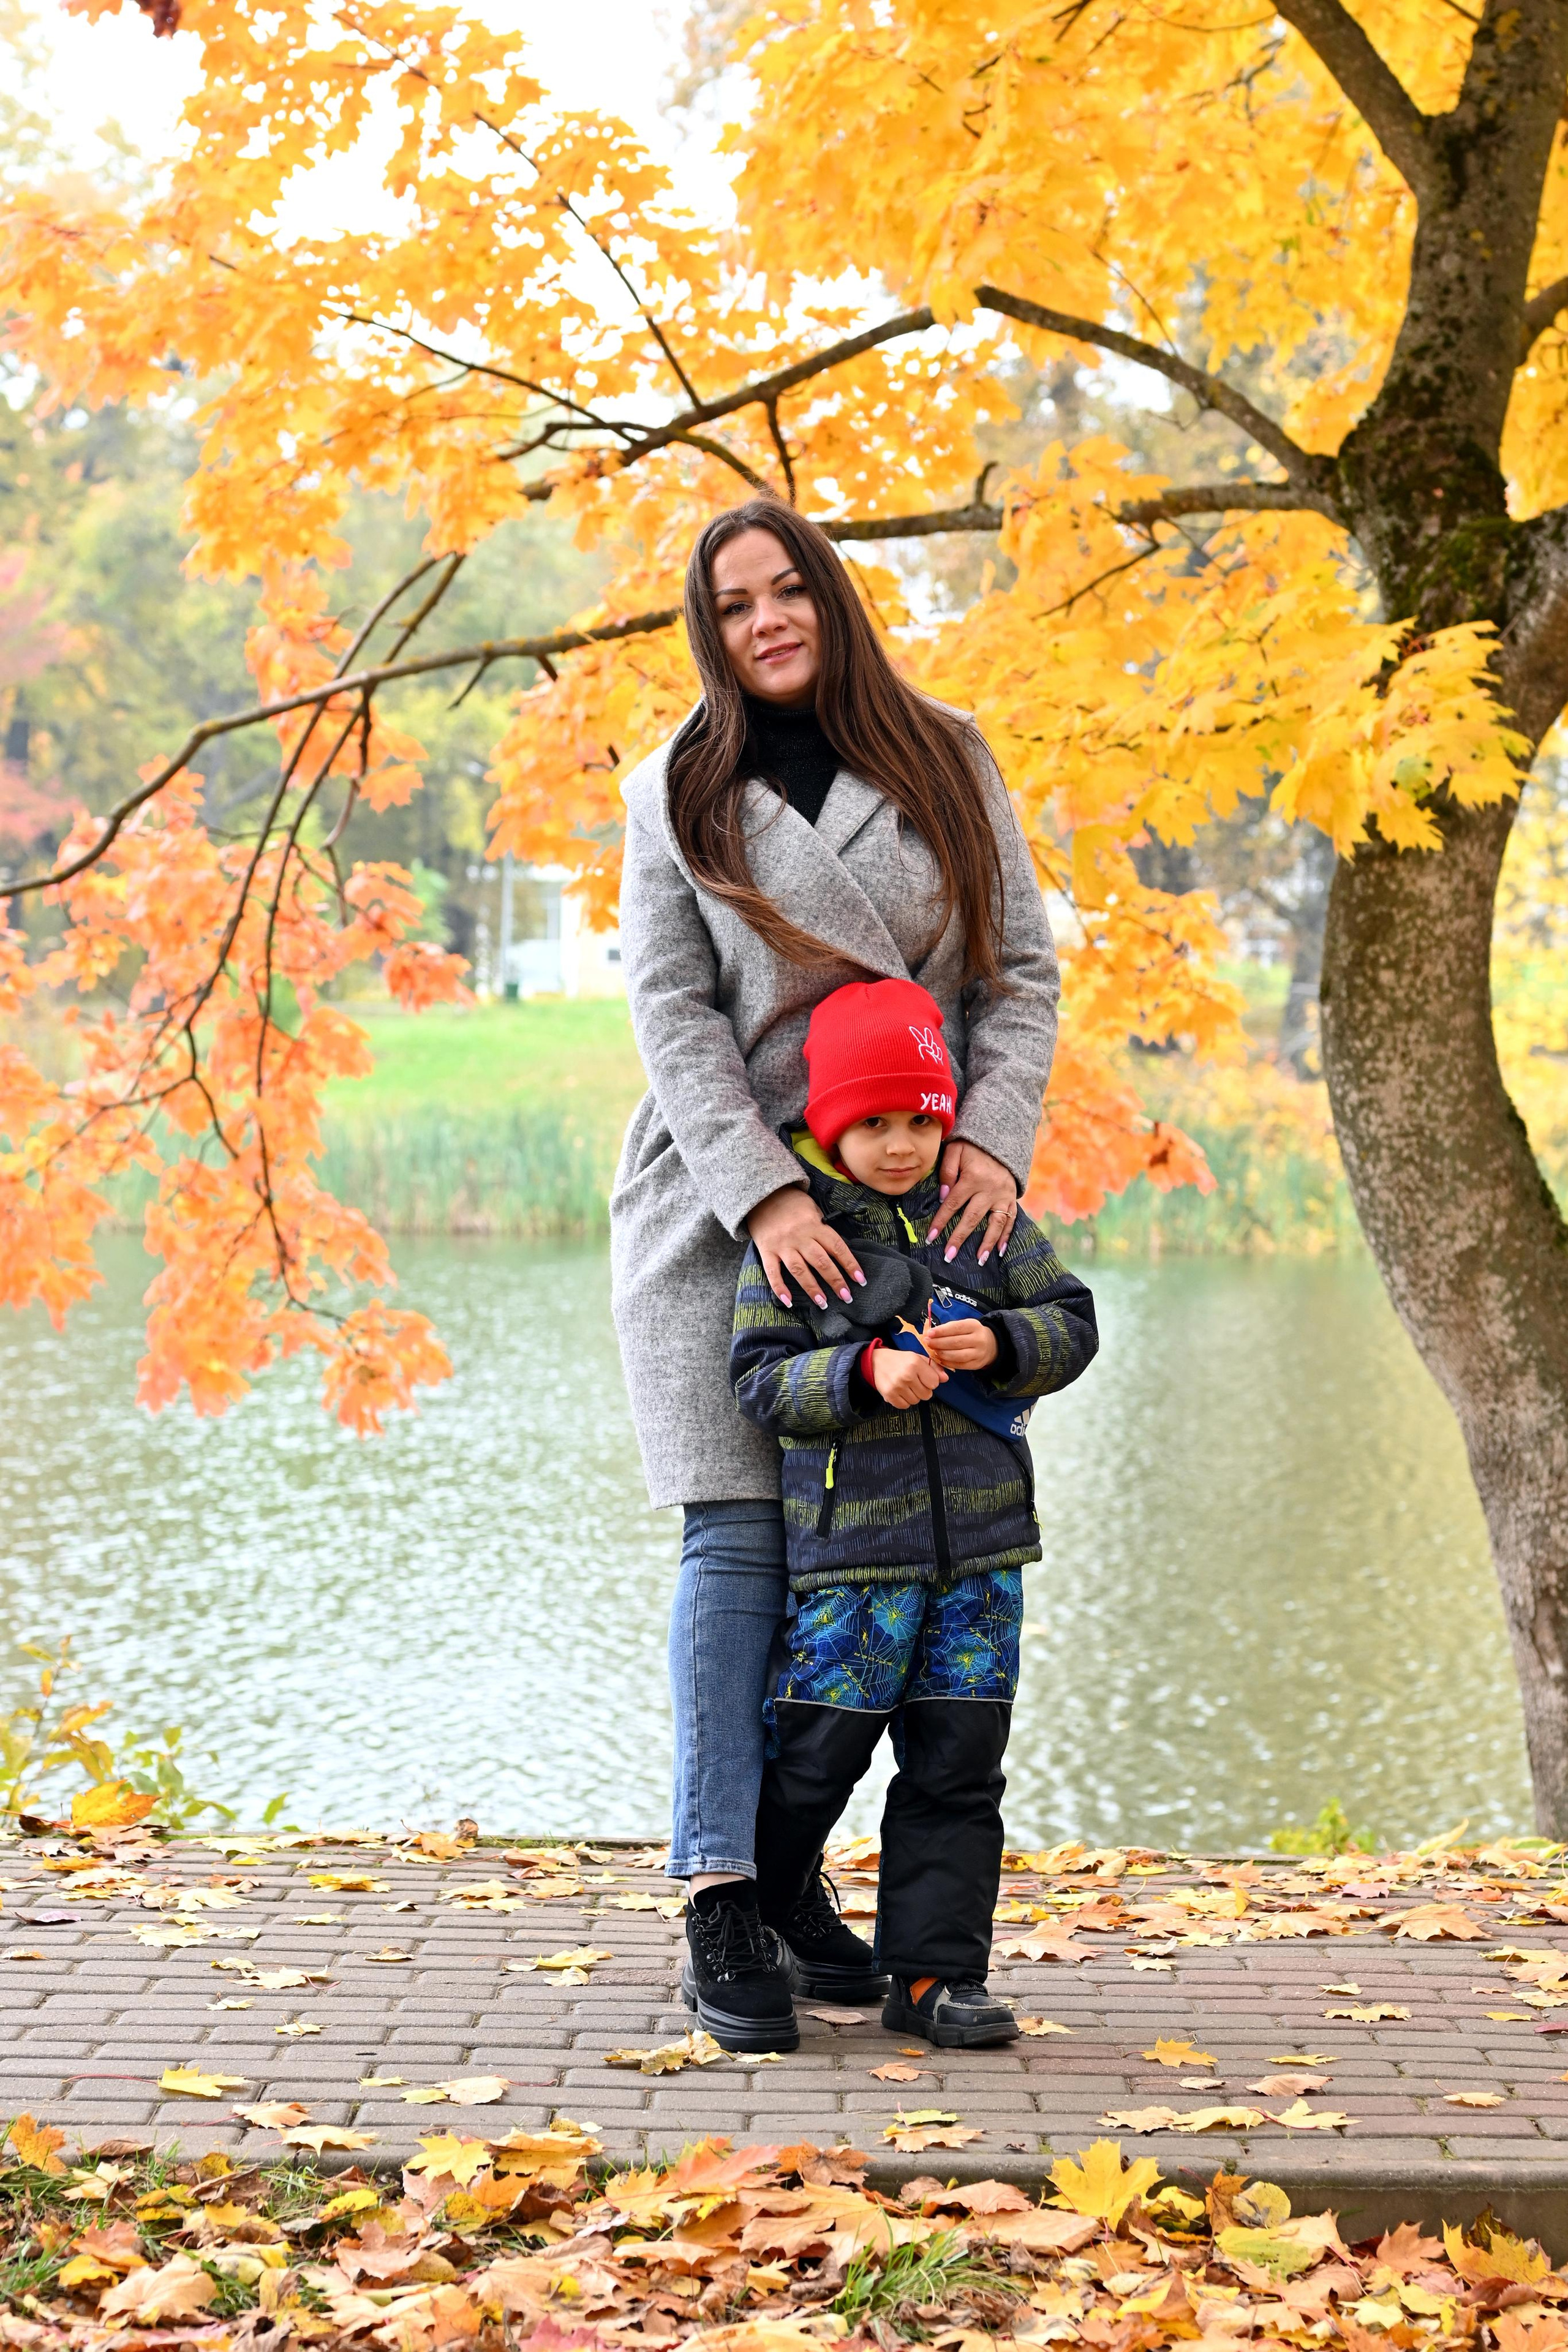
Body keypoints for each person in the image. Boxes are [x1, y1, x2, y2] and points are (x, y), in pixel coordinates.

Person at [611, 494, 1060, 2053]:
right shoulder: (676, 785)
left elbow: (1018, 973)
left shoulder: (945, 753)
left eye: (783, 589)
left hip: (907, 1198)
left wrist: (990, 1146)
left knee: (887, 1556)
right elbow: (670, 1017)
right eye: (729, 605)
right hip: (720, 1203)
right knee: (740, 1543)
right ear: (709, 632)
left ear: (829, 597)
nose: (762, 621)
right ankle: (723, 1891)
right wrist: (757, 1200)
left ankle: (805, 1884)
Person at [704, 978, 1098, 2051]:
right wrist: (863, 1374)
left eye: (920, 1120)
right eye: (872, 1123)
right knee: (816, 1760)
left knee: (960, 1767)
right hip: (851, 1564)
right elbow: (760, 1381)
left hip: (983, 1563)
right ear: (830, 1121)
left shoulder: (986, 1220)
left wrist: (1008, 1347)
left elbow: (1071, 1319)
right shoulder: (798, 1237)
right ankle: (763, 1915)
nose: (898, 1144)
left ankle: (932, 1979)